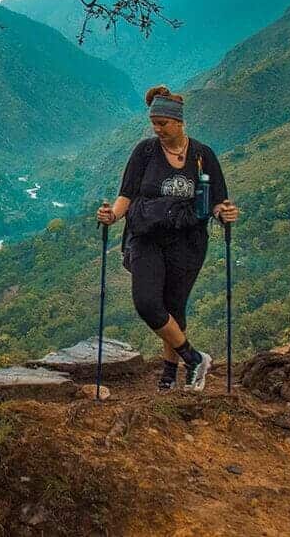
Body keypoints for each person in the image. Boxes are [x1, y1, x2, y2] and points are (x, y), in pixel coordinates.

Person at [96, 85, 240, 392]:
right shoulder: (145, 152)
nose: (157, 129)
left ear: (179, 121)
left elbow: (217, 201)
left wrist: (224, 213)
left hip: (188, 243)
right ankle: (194, 358)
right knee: (148, 303)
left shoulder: (203, 156)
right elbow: (127, 194)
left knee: (174, 308)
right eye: (154, 123)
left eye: (163, 123)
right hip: (146, 237)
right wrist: (112, 216)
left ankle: (169, 373)